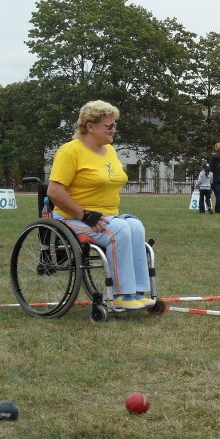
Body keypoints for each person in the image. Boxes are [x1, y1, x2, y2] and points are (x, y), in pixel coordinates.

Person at [46, 100, 152, 312]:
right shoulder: (70, 152)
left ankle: (138, 291)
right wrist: (85, 215)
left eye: (115, 125)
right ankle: (122, 294)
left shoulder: (109, 151)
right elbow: (54, 192)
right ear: (90, 126)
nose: (114, 130)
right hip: (72, 218)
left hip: (107, 215)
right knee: (119, 230)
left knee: (136, 227)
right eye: (109, 126)